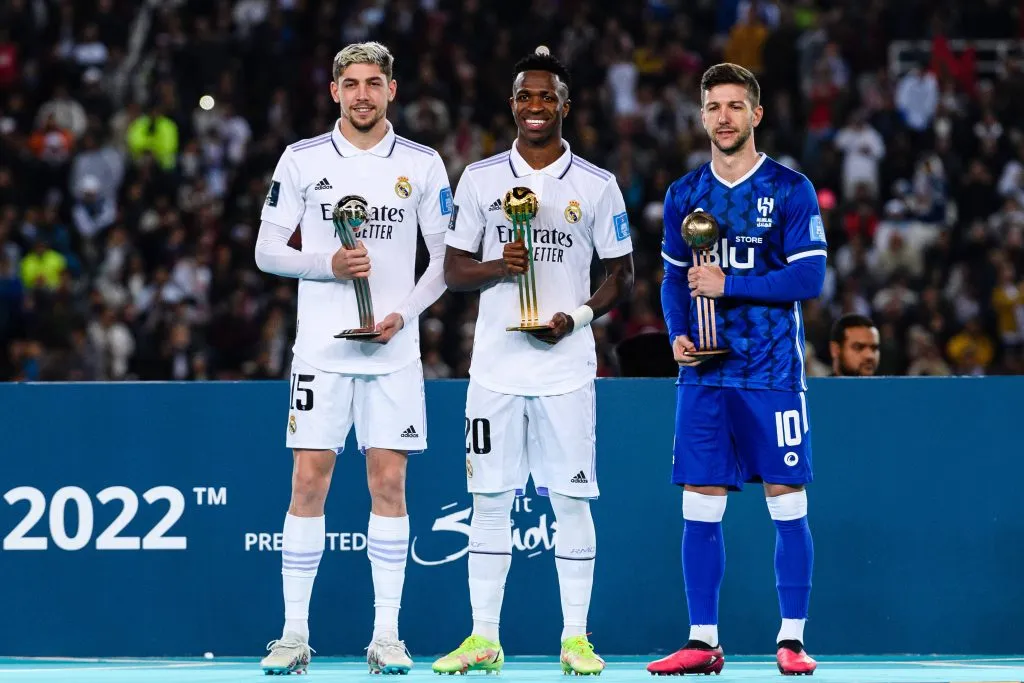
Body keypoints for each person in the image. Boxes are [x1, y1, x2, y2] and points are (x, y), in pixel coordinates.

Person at [432, 47, 634, 676]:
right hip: (495, 366)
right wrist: (500, 267)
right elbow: (453, 268)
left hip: (567, 367)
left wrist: (574, 317)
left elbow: (619, 273)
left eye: (547, 96)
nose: (536, 106)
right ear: (513, 104)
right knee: (489, 501)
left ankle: (576, 638)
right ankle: (484, 638)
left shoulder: (597, 185)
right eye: (525, 96)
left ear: (565, 106)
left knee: (571, 503)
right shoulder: (481, 178)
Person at [253, 41, 452, 675]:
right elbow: (265, 251)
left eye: (374, 82)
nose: (363, 93)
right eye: (352, 83)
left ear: (392, 90)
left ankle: (387, 636)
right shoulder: (302, 159)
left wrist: (405, 315)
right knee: (308, 481)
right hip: (321, 348)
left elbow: (445, 259)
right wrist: (328, 264)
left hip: (393, 351)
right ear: (334, 91)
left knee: (388, 483)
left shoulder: (421, 165)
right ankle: (291, 634)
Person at [648, 63, 826, 677]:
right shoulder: (683, 194)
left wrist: (729, 285)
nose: (723, 116)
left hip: (771, 371)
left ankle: (793, 639)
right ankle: (702, 641)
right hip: (704, 375)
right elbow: (674, 278)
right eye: (713, 106)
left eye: (735, 106)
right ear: (702, 116)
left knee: (786, 501)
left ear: (757, 114)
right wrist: (677, 332)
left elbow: (809, 277)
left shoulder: (790, 189)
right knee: (700, 504)